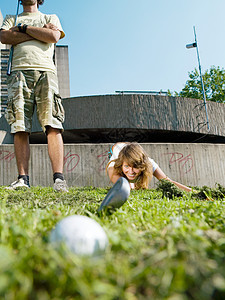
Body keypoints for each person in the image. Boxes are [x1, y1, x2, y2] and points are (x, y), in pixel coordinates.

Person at [0, 0, 68, 191]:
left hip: (46, 72)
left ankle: (59, 179)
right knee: (19, 126)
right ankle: (23, 179)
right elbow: (4, 37)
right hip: (19, 73)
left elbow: (53, 35)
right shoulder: (10, 18)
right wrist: (39, 33)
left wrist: (22, 29)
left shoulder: (50, 17)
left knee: (53, 124)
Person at [107, 142, 193, 192]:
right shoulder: (113, 167)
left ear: (141, 165)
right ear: (121, 164)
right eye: (127, 166)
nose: (131, 171)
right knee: (129, 187)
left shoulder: (149, 163)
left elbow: (168, 182)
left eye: (135, 167)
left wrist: (193, 192)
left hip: (130, 148)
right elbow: (125, 188)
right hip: (116, 148)